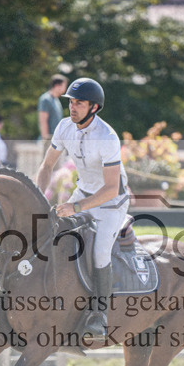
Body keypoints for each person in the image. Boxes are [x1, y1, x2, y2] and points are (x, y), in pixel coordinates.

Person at [35, 78, 128, 339]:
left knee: (99, 252)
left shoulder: (107, 137)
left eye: (79, 103)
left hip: (111, 203)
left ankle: (99, 315)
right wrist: (39, 197)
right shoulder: (65, 127)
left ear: (94, 107)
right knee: (52, 236)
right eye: (71, 102)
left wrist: (75, 206)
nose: (72, 108)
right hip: (83, 194)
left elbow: (111, 188)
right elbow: (47, 165)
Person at [37, 74, 68, 148]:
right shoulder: (46, 99)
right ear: (57, 86)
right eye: (64, 86)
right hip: (49, 142)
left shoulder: (56, 100)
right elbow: (43, 121)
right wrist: (46, 141)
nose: (65, 89)